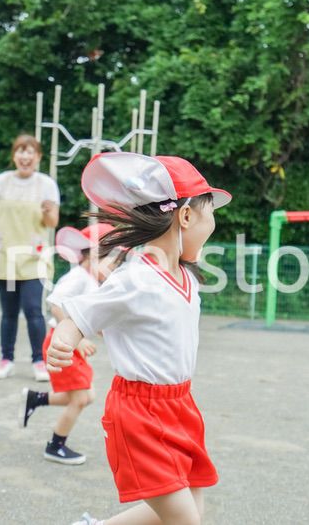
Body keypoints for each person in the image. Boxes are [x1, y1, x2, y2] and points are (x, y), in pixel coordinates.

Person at [47, 152, 232, 525]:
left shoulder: (187, 278)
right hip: (141, 413)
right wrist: (63, 338)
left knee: (191, 510)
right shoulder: (135, 279)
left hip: (181, 406)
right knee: (185, 520)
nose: (213, 224)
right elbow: (79, 313)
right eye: (211, 213)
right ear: (185, 216)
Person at [18, 223, 114, 465]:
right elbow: (56, 304)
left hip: (68, 344)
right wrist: (77, 341)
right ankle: (55, 446)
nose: (114, 264)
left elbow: (87, 316)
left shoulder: (90, 279)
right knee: (79, 399)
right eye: (111, 257)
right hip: (61, 343)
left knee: (87, 396)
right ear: (95, 253)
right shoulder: (78, 277)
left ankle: (36, 399)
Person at [0, 134, 60, 382]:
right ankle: (6, 360)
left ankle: (39, 361)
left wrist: (47, 212)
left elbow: (52, 222)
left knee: (34, 310)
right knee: (9, 312)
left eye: (30, 152)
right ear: (14, 156)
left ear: (38, 157)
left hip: (34, 257)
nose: (25, 156)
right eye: (20, 151)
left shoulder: (47, 184)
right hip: (5, 254)